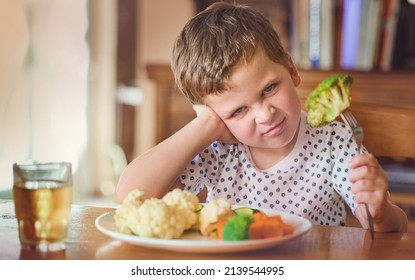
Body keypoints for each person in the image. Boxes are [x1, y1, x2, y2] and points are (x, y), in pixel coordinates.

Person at [116, 2, 408, 231]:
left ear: (291, 70)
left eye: (269, 88)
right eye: (238, 110)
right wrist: (205, 126)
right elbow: (133, 196)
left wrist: (379, 211)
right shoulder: (217, 151)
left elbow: (392, 225)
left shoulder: (333, 141)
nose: (265, 114)